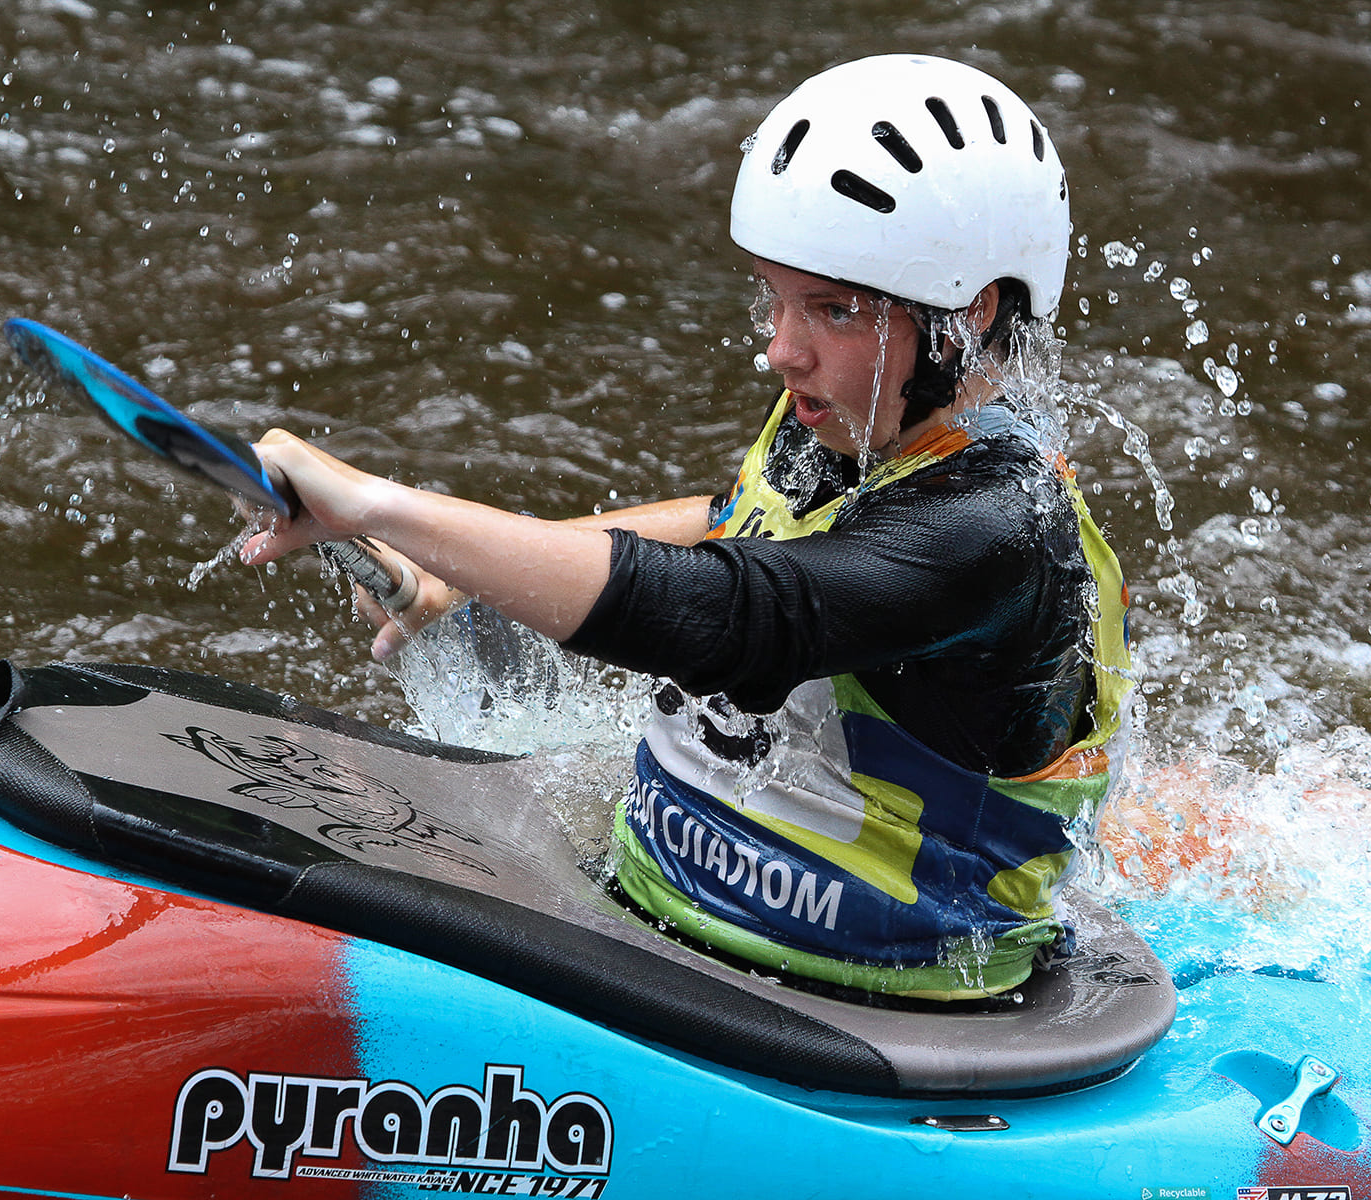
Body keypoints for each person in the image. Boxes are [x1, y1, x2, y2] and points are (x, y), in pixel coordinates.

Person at [241, 54, 1133, 999]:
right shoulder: (863, 413)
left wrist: (382, 506)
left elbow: (739, 615)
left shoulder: (996, 528)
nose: (780, 350)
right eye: (775, 298)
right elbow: (733, 525)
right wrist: (464, 573)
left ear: (968, 314)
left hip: (866, 1004)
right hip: (662, 918)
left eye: (833, 311)